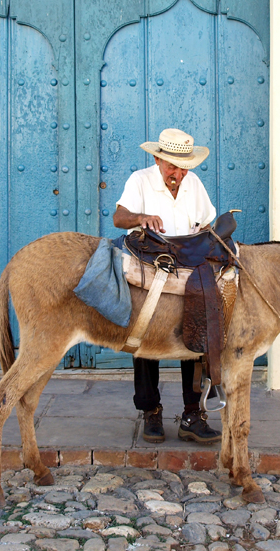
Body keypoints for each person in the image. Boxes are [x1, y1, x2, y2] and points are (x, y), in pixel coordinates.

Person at [113, 128, 222, 445]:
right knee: (144, 334)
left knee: (196, 333)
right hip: (151, 264)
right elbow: (119, 217)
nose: (179, 173)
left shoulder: (193, 184)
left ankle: (192, 413)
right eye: (173, 166)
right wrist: (142, 216)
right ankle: (151, 411)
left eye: (184, 166)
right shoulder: (140, 180)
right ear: (158, 159)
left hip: (188, 265)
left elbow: (206, 224)